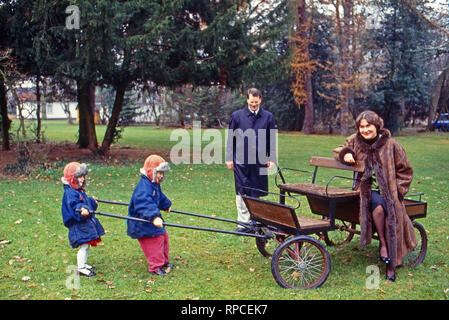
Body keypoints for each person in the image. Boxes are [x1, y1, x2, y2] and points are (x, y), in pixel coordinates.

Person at [333, 110, 417, 281]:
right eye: (361, 127)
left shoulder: (391, 145)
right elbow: (338, 150)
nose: (365, 130)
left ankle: (390, 265)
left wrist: (398, 191)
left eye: (368, 126)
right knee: (378, 208)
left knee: (389, 218)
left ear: (377, 126)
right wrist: (346, 153)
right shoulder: (356, 141)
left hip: (390, 193)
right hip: (366, 191)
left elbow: (406, 172)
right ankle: (384, 247)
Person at [226, 88, 277, 232]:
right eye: (251, 101)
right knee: (241, 191)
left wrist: (271, 158)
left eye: (256, 102)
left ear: (260, 99)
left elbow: (271, 139)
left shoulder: (268, 117)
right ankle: (243, 224)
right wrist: (229, 158)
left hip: (260, 160)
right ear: (247, 100)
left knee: (256, 190)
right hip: (240, 160)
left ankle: (255, 220)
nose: (253, 104)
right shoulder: (237, 116)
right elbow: (231, 139)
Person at [127, 154, 173, 276]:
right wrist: (154, 217)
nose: (161, 176)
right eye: (159, 173)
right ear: (151, 171)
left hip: (150, 220)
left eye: (163, 173)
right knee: (154, 242)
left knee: (163, 237)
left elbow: (159, 197)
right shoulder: (144, 187)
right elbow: (144, 204)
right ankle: (155, 267)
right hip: (142, 223)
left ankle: (163, 261)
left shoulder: (153, 184)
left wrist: (166, 204)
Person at [61, 162, 105, 277]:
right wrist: (82, 209)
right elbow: (75, 205)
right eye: (79, 177)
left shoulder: (78, 190)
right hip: (77, 224)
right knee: (84, 245)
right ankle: (80, 268)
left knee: (87, 244)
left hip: (83, 223)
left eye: (83, 176)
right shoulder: (70, 192)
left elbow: (84, 202)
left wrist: (90, 201)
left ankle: (84, 264)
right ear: (72, 178)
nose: (82, 179)